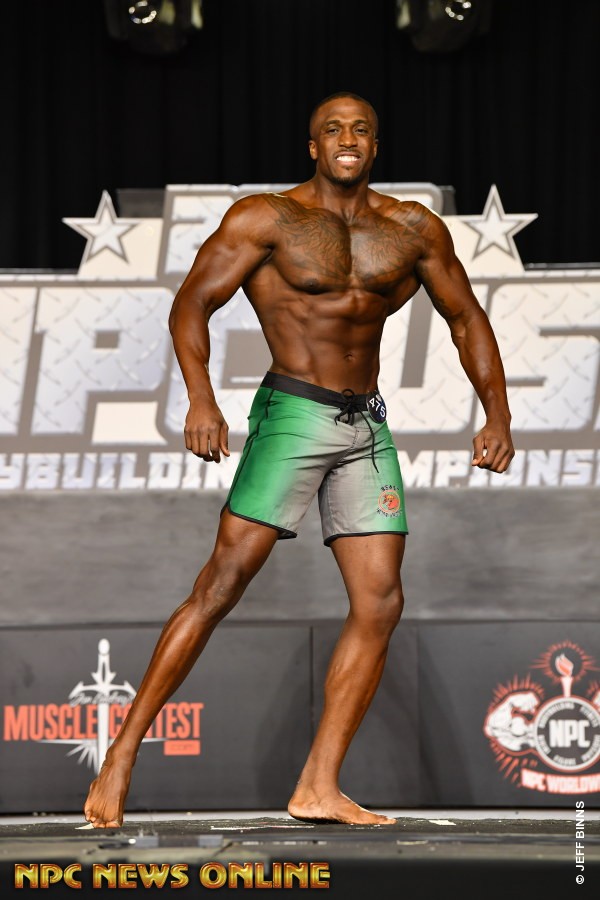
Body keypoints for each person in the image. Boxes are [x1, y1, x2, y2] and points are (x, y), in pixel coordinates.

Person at [84, 91, 514, 828]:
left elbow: (466, 317)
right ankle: (121, 753)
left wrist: (496, 413)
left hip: (365, 425)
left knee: (380, 601)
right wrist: (201, 399)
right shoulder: (267, 219)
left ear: (375, 145)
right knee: (221, 585)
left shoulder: (413, 229)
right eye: (333, 130)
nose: (348, 138)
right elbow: (192, 302)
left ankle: (318, 784)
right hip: (293, 413)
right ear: (313, 146)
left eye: (361, 129)